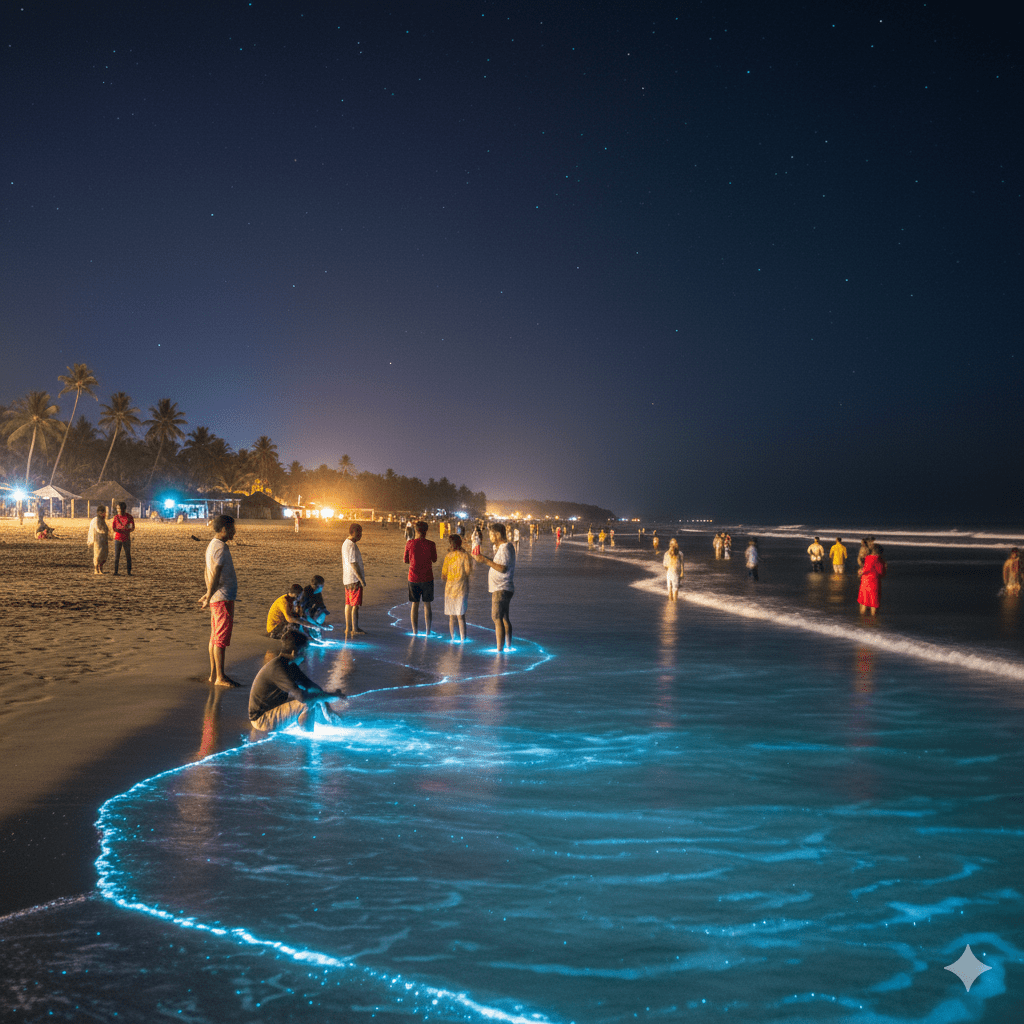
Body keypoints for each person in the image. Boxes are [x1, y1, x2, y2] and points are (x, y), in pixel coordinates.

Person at [248, 631, 346, 733]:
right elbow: (302, 698)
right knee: (308, 702)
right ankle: (308, 737)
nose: (306, 657)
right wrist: (330, 696)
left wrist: (328, 707)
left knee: (315, 699)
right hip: (261, 720)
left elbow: (311, 686)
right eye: (304, 652)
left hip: (272, 709)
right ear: (295, 652)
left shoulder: (289, 665)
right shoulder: (278, 668)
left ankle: (322, 723)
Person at [198, 515, 239, 686]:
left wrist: (208, 593)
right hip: (222, 598)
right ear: (224, 529)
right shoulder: (220, 547)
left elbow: (208, 571)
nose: (234, 531)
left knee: (215, 637)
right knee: (220, 638)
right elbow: (215, 572)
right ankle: (220, 677)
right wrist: (209, 593)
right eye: (232, 528)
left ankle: (214, 674)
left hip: (217, 596)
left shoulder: (213, 545)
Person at [473, 523, 515, 651]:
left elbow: (502, 568)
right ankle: (507, 645)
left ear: (497, 534)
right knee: (504, 618)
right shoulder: (505, 547)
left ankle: (499, 649)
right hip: (505, 587)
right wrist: (485, 558)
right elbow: (499, 563)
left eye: (491, 534)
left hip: (501, 588)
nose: (490, 536)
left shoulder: (505, 548)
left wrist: (485, 561)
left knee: (497, 618)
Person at [404, 520, 437, 635]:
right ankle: (428, 631)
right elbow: (434, 559)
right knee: (427, 604)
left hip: (413, 577)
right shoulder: (431, 544)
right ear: (426, 531)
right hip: (428, 577)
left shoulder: (410, 543)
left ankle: (415, 631)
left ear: (416, 530)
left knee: (415, 604)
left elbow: (405, 560)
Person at [441, 534, 473, 642]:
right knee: (461, 616)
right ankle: (463, 639)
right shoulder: (465, 556)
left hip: (450, 588)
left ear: (451, 544)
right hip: (461, 588)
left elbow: (443, 576)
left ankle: (453, 638)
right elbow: (468, 572)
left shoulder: (448, 556)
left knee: (451, 616)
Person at [342, 523, 367, 636]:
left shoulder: (345, 544)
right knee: (355, 606)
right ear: (355, 533)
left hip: (347, 579)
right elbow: (353, 563)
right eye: (360, 533)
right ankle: (355, 629)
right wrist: (361, 579)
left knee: (348, 604)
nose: (361, 535)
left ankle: (348, 628)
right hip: (353, 579)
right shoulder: (351, 545)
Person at [857, 543, 887, 615]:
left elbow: (865, 569)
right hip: (875, 582)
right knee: (874, 603)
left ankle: (861, 621)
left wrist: (860, 572)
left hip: (865, 582)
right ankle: (874, 621)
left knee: (864, 601)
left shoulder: (868, 558)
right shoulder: (881, 561)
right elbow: (882, 573)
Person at [111, 501, 136, 576]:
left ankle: (129, 572)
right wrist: (122, 529)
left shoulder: (129, 517)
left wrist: (125, 530)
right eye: (117, 508)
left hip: (126, 538)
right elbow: (113, 527)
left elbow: (132, 527)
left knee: (128, 555)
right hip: (118, 538)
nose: (118, 510)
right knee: (116, 556)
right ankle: (116, 571)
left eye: (119, 508)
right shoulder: (116, 517)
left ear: (123, 508)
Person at [87, 505, 110, 574]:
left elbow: (106, 529)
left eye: (104, 513)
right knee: (98, 554)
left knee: (104, 554)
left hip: (104, 540)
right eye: (101, 513)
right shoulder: (95, 520)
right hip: (98, 540)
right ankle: (96, 569)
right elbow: (98, 529)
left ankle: (101, 568)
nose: (103, 514)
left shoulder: (103, 520)